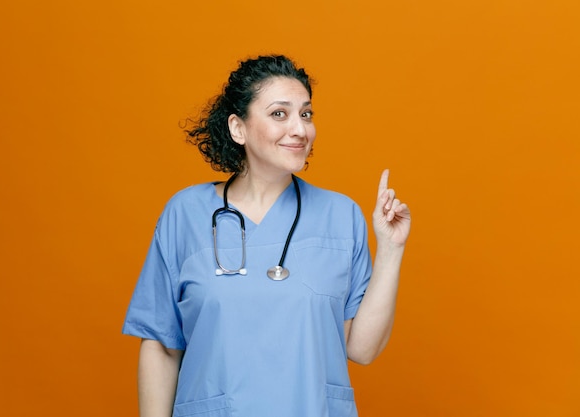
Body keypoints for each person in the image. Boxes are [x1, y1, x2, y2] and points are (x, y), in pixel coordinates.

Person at [122, 55, 411, 417]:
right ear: (238, 128)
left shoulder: (341, 216)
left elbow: (362, 349)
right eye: (279, 114)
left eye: (306, 114)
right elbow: (161, 346)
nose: (299, 129)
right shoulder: (185, 214)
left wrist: (390, 247)